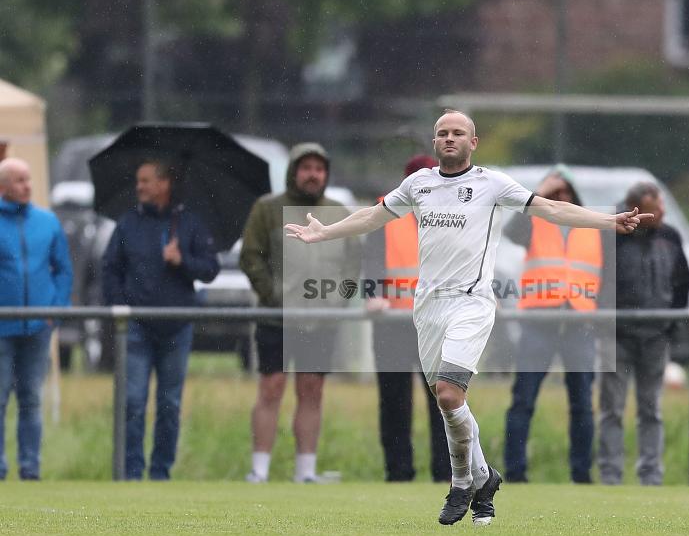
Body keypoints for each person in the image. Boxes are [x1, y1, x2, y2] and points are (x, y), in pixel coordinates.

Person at [285, 110, 651, 525]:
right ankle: (485, 479)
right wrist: (322, 232)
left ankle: (461, 483)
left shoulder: (492, 184)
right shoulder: (418, 184)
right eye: (442, 133)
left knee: (446, 393)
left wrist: (609, 221)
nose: (449, 138)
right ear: (435, 141)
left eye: (458, 132)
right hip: (426, 308)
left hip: (471, 304)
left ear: (473, 142)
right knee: (452, 403)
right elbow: (372, 216)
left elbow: (550, 209)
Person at [240, 143, 361, 483]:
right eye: (306, 167)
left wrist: (340, 300)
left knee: (312, 390)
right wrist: (273, 294)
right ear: (294, 171)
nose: (313, 174)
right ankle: (259, 470)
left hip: (321, 320)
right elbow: (251, 256)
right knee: (271, 388)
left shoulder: (339, 212)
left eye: (319, 169)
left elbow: (352, 266)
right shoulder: (267, 209)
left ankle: (305, 471)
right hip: (276, 318)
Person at [102, 159, 220, 480]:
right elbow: (110, 269)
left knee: (169, 405)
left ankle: (160, 473)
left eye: (145, 180)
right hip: (137, 327)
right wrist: (121, 307)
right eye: (138, 181)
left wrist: (182, 261)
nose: (139, 186)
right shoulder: (127, 224)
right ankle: (130, 472)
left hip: (177, 326)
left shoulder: (190, 224)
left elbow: (210, 269)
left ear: (164, 183)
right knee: (133, 403)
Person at [502, 164, 599, 484]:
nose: (560, 198)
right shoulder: (534, 222)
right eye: (554, 193)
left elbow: (606, 277)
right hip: (539, 322)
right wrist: (539, 195)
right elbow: (512, 231)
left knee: (583, 404)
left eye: (564, 192)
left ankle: (581, 474)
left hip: (579, 324)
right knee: (523, 400)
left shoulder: (592, 227)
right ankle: (515, 473)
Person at [597, 182, 689, 486]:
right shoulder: (612, 236)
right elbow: (601, 281)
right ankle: (610, 475)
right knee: (612, 409)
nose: (662, 212)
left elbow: (682, 284)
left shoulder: (670, 238)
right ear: (637, 209)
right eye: (656, 207)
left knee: (651, 409)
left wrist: (671, 325)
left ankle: (651, 476)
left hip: (655, 337)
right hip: (618, 336)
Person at [364, 155, 451, 483]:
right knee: (394, 401)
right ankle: (399, 472)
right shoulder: (385, 213)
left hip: (436, 322)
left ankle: (446, 473)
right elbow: (371, 259)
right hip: (393, 325)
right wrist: (372, 295)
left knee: (443, 400)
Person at [0, 158, 73, 481]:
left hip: (37, 329)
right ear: (3, 187)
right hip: (2, 328)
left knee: (31, 397)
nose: (27, 185)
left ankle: (30, 468)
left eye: (28, 179)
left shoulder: (48, 222)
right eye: (19, 180)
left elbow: (64, 270)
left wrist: (53, 312)